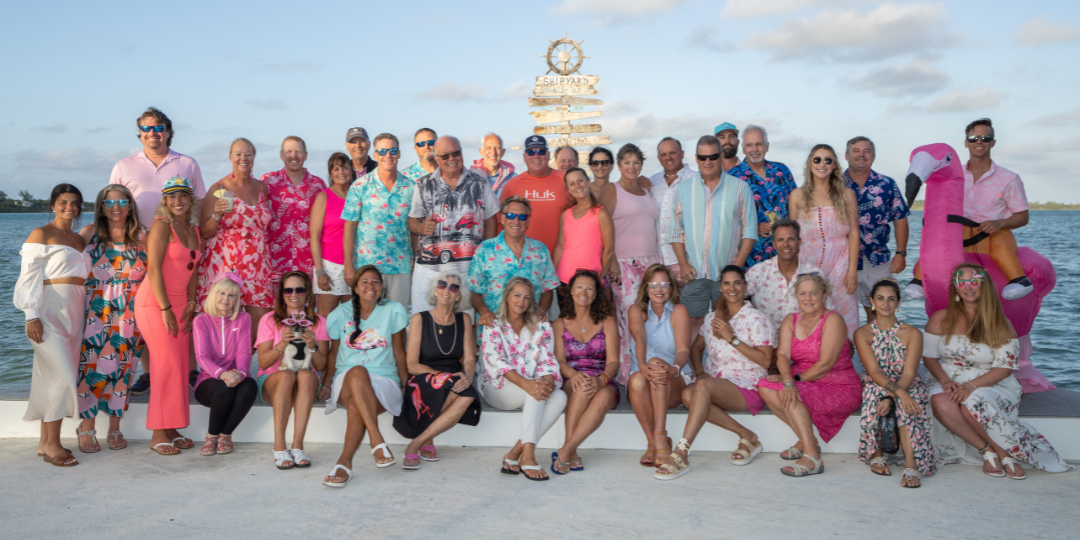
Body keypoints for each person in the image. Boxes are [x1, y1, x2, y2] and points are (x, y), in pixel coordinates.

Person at [924, 263, 1073, 477]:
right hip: (948, 377)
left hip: (992, 381)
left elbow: (1004, 368)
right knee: (940, 401)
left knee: (973, 402)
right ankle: (987, 451)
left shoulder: (1001, 323)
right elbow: (929, 357)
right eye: (961, 281)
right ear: (955, 287)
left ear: (984, 286)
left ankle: (1004, 454)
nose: (968, 287)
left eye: (974, 281)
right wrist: (945, 381)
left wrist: (970, 386)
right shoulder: (940, 318)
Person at [109, 107, 207, 396]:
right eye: (147, 128)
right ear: (139, 133)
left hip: (178, 247)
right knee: (143, 314)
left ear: (168, 131)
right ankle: (149, 373)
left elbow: (198, 204)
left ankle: (189, 369)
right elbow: (113, 204)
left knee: (183, 306)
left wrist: (194, 240)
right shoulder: (123, 165)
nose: (153, 133)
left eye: (159, 127)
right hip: (134, 250)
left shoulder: (187, 163)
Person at [658, 265, 774, 480]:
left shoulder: (757, 319)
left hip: (746, 386)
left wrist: (732, 339)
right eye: (727, 283)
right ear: (720, 287)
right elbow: (696, 347)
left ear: (746, 287)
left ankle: (681, 451)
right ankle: (746, 434)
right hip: (715, 383)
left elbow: (767, 360)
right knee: (687, 394)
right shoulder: (712, 319)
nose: (732, 288)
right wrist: (700, 370)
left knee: (700, 388)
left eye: (737, 283)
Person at [756, 274, 862, 477]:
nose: (808, 298)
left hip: (838, 384)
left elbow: (826, 364)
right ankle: (809, 441)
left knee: (791, 392)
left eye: (814, 293)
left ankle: (813, 458)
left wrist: (793, 382)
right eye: (802, 293)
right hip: (801, 378)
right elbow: (783, 355)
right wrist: (787, 379)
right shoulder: (791, 320)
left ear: (824, 295)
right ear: (796, 296)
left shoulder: (834, 320)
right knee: (765, 387)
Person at [16, 184, 89, 466]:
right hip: (48, 312)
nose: (69, 207)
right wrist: (30, 315)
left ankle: (44, 442)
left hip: (75, 313)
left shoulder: (79, 238)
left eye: (74, 203)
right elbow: (28, 277)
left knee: (48, 380)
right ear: (53, 204)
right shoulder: (41, 234)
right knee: (63, 378)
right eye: (63, 202)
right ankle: (54, 445)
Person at [74, 185, 146, 453]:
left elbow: (159, 272)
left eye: (122, 201)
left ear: (130, 206)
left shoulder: (143, 236)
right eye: (109, 202)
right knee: (90, 369)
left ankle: (115, 429)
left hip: (131, 314)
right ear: (101, 206)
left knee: (123, 372)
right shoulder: (89, 234)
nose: (116, 206)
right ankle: (86, 427)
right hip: (95, 312)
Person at [322, 265, 409, 487]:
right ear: (355, 287)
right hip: (346, 380)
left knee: (355, 406)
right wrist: (325, 385)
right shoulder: (339, 314)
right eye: (365, 282)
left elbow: (399, 351)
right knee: (358, 372)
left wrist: (406, 383)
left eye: (375, 282)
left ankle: (344, 463)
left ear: (382, 286)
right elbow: (333, 355)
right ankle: (376, 439)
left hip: (384, 380)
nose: (370, 286)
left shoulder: (393, 310)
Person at [133, 177, 201, 456]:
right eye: (172, 196)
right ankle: (158, 433)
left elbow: (194, 270)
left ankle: (172, 427)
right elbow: (154, 270)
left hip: (181, 304)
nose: (177, 201)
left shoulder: (194, 229)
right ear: (165, 199)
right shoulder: (161, 225)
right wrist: (164, 309)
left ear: (190, 200)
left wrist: (192, 302)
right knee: (165, 366)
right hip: (154, 304)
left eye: (183, 196)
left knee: (179, 367)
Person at [480, 277, 567, 481]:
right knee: (535, 392)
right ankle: (528, 455)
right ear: (507, 296)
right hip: (499, 388)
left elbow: (547, 359)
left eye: (527, 297)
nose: (521, 301)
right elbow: (497, 362)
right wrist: (529, 385)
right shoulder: (494, 324)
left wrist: (548, 382)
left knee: (560, 397)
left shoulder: (541, 324)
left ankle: (516, 452)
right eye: (517, 295)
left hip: (530, 386)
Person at [669, 135, 757, 332]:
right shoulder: (683, 190)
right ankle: (692, 364)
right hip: (694, 273)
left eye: (713, 156)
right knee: (691, 325)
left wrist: (737, 267)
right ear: (696, 158)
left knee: (730, 323)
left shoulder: (741, 188)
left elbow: (750, 231)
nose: (708, 162)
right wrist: (683, 264)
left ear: (721, 156)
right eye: (702, 157)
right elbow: (675, 231)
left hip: (727, 276)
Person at [393, 272, 481, 469]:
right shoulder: (419, 319)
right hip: (424, 377)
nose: (447, 290)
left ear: (459, 295)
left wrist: (467, 376)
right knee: (455, 388)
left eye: (454, 287)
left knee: (467, 394)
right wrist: (444, 377)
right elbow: (412, 365)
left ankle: (417, 441)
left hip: (453, 376)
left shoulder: (464, 319)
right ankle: (423, 441)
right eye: (442, 284)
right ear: (435, 289)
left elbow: (468, 358)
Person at [854, 279, 935, 487]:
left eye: (891, 299)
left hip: (906, 382)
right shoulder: (862, 334)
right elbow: (873, 371)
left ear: (898, 303)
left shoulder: (913, 334)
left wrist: (895, 394)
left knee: (908, 402)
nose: (885, 304)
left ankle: (911, 464)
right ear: (872, 301)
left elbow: (909, 372)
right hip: (877, 380)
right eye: (880, 298)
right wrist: (894, 392)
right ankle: (876, 454)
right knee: (874, 394)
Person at [408, 135, 499, 314]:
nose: (451, 159)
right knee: (423, 321)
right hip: (429, 270)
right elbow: (412, 220)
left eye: (455, 153)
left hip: (468, 269)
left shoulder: (479, 183)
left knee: (464, 324)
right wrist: (420, 228)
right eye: (445, 156)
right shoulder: (423, 184)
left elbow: (491, 220)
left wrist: (486, 259)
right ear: (436, 159)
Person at [198, 138, 276, 344]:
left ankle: (245, 370)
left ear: (254, 158)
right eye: (239, 154)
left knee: (261, 326)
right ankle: (222, 371)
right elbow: (205, 231)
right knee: (224, 326)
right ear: (230, 157)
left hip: (259, 265)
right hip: (227, 265)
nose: (244, 158)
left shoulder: (262, 188)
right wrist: (216, 214)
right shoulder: (219, 187)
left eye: (248, 154)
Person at [254, 271, 329, 469]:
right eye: (288, 289)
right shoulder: (269, 320)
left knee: (305, 374)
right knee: (286, 375)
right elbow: (263, 363)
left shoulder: (319, 322)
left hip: (305, 384)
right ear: (282, 293)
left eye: (300, 289)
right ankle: (279, 446)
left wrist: (313, 346)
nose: (294, 294)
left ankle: (297, 446)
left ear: (307, 293)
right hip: (273, 382)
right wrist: (281, 344)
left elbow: (320, 366)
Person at [551, 270, 620, 474]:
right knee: (581, 387)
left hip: (603, 378)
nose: (584, 292)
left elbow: (614, 361)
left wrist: (601, 380)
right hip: (573, 377)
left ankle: (565, 451)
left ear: (596, 294)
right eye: (579, 287)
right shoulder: (558, 324)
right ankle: (570, 450)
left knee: (604, 395)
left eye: (590, 288)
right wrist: (574, 375)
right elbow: (559, 362)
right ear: (570, 291)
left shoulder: (607, 322)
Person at [788, 144, 860, 338]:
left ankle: (844, 363)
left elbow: (854, 234)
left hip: (841, 262)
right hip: (808, 262)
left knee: (845, 314)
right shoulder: (797, 195)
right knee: (808, 311)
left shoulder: (846, 195)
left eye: (828, 160)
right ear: (810, 164)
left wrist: (852, 270)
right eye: (817, 159)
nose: (822, 164)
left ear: (834, 165)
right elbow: (793, 236)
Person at [625, 265, 692, 468]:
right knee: (636, 379)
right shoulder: (635, 310)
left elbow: (682, 351)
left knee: (657, 365)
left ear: (671, 288)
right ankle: (653, 442)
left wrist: (674, 369)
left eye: (664, 284)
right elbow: (639, 336)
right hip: (644, 380)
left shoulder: (679, 311)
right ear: (645, 288)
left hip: (674, 377)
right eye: (653, 284)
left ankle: (661, 436)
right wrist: (643, 365)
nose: (659, 289)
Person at [606, 143, 662, 384]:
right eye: (627, 162)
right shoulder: (612, 189)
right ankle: (627, 374)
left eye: (636, 162)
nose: (631, 166)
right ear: (619, 165)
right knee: (630, 316)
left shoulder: (646, 188)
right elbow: (602, 225)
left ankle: (650, 368)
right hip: (623, 263)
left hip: (651, 262)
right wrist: (611, 262)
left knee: (650, 316)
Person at [343, 133, 416, 309]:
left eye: (392, 150)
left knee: (398, 320)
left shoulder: (412, 188)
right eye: (382, 151)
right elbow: (350, 226)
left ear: (399, 153)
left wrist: (415, 262)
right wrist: (348, 266)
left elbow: (415, 229)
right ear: (375, 155)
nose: (388, 155)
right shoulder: (360, 185)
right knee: (367, 320)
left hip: (401, 267)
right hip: (367, 267)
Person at [843, 136, 910, 324]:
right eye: (856, 150)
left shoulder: (886, 184)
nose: (861, 155)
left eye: (867, 151)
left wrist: (901, 253)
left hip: (877, 258)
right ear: (846, 155)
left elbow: (900, 218)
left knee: (879, 312)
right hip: (842, 258)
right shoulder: (834, 184)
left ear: (873, 156)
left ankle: (879, 352)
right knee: (839, 312)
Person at [468, 197, 560, 327]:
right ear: (503, 219)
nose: (516, 221)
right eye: (511, 215)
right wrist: (485, 312)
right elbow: (474, 290)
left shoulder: (541, 250)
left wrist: (541, 310)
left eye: (522, 216)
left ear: (527, 221)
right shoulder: (484, 250)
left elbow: (547, 288)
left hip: (530, 331)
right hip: (493, 331)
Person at [192, 273, 257, 457]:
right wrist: (223, 374)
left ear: (237, 299)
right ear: (213, 294)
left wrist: (241, 374)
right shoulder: (201, 321)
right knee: (224, 387)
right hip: (209, 382)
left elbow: (244, 352)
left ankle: (226, 434)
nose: (225, 299)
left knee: (250, 385)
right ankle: (211, 436)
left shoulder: (243, 319)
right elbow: (202, 357)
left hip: (235, 375)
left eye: (231, 295)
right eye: (221, 293)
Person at [745, 219, 828, 342]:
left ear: (799, 242)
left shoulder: (815, 275)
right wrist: (719, 311)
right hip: (764, 346)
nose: (786, 244)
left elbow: (827, 314)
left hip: (802, 346)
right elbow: (732, 296)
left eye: (791, 239)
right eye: (780, 240)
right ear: (773, 244)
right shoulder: (758, 272)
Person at [726, 125, 797, 268]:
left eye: (759, 144)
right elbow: (725, 219)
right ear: (743, 149)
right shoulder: (732, 177)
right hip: (751, 257)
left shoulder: (782, 171)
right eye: (749, 145)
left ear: (767, 146)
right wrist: (752, 227)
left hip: (785, 253)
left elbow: (798, 206)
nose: (754, 149)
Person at [260, 135, 327, 278]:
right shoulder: (267, 181)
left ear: (306, 155)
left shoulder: (318, 185)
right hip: (274, 265)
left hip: (308, 265)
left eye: (298, 152)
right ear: (281, 155)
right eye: (289, 151)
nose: (294, 156)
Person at [499, 135, 571, 257]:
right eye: (531, 152)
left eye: (541, 151)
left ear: (548, 155)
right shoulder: (512, 185)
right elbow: (499, 223)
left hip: (563, 258)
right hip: (524, 260)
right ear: (524, 157)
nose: (536, 156)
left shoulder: (566, 180)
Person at [553, 167, 615, 287]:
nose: (577, 185)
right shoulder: (565, 215)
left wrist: (599, 278)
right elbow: (560, 246)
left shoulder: (601, 213)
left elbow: (609, 250)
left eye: (580, 180)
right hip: (563, 279)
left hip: (590, 280)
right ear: (569, 190)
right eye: (572, 184)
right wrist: (553, 276)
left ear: (588, 181)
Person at [311, 153, 355, 316]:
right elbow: (314, 237)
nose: (341, 172)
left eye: (344, 167)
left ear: (351, 170)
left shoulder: (357, 196)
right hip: (330, 267)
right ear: (330, 173)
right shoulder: (324, 196)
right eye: (336, 168)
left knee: (350, 320)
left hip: (353, 265)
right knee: (325, 320)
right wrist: (320, 271)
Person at [649, 138, 696, 281]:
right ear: (658, 158)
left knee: (687, 302)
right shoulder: (652, 182)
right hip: (657, 260)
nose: (668, 158)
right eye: (663, 155)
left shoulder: (696, 180)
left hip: (687, 262)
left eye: (672, 153)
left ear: (682, 154)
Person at [470, 132, 516, 197]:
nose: (493, 152)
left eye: (497, 148)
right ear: (481, 152)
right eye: (488, 148)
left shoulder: (513, 179)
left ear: (503, 152)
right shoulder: (470, 177)